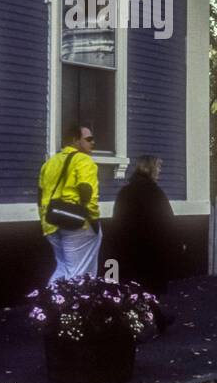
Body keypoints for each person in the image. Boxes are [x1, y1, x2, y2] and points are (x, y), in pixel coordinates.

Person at [113, 155, 178, 332]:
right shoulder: (155, 193)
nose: (160, 172)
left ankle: (148, 319)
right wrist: (175, 245)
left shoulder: (124, 192)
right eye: (158, 168)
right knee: (150, 288)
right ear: (150, 169)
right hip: (150, 250)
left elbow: (117, 221)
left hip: (128, 250)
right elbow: (167, 221)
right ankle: (153, 322)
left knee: (134, 288)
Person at [37, 122, 101, 283]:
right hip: (77, 225)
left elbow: (40, 195)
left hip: (50, 222)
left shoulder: (49, 163)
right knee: (79, 274)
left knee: (63, 268)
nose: (93, 142)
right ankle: (72, 307)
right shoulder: (84, 160)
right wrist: (93, 221)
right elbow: (88, 193)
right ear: (75, 140)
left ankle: (48, 304)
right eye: (89, 139)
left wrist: (45, 218)